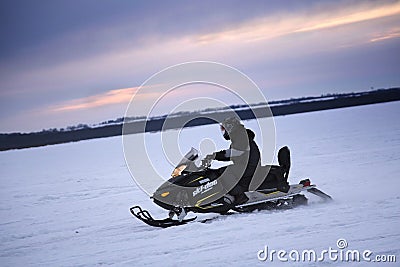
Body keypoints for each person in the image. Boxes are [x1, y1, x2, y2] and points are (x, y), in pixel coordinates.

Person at [203, 117, 261, 205]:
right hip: (245, 165)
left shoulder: (242, 137)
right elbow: (233, 154)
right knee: (219, 171)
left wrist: (215, 155)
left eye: (224, 129)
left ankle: (240, 196)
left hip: (250, 166)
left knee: (224, 173)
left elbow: (234, 153)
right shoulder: (240, 136)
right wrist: (213, 156)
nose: (223, 132)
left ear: (231, 128)